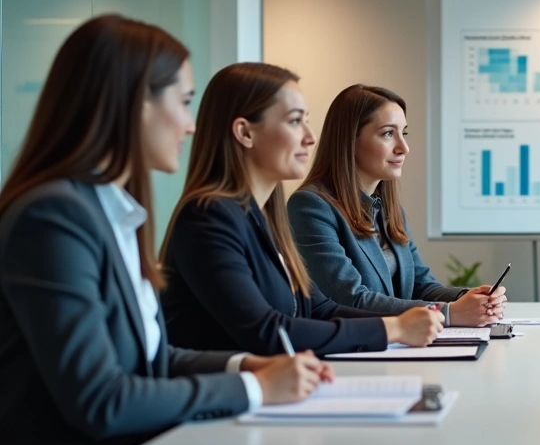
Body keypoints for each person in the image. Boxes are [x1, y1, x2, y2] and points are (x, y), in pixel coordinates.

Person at [0, 17, 327, 445]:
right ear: (134, 103)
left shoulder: (112, 211)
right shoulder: (54, 217)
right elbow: (102, 399)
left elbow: (151, 359)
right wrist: (252, 387)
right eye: (184, 102)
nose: (192, 125)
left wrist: (247, 364)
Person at [159, 63, 444, 356]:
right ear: (245, 132)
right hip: (232, 396)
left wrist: (407, 322)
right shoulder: (208, 217)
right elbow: (267, 331)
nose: (310, 137)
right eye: (295, 121)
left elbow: (319, 309)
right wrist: (393, 329)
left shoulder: (264, 216)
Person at [288, 85, 504, 325]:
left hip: (392, 347)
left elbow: (421, 285)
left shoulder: (388, 209)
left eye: (404, 133)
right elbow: (349, 299)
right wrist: (448, 314)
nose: (404, 147)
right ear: (349, 140)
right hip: (348, 355)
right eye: (388, 134)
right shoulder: (309, 207)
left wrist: (470, 298)